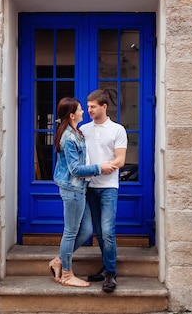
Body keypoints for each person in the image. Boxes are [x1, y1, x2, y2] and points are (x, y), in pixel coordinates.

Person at [48, 97, 117, 287]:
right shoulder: (69, 137)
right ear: (72, 115)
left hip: (80, 189)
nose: (83, 112)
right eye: (80, 110)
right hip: (72, 189)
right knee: (70, 232)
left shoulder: (77, 132)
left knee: (85, 230)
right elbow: (75, 169)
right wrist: (99, 168)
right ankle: (67, 275)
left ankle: (58, 262)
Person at [82, 89, 128, 293]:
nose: (89, 110)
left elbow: (120, 160)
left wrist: (105, 166)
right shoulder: (83, 129)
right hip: (89, 187)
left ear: (104, 107)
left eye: (93, 106)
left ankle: (110, 273)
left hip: (109, 187)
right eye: (88, 106)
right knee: (98, 233)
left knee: (108, 231)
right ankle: (106, 268)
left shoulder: (117, 130)